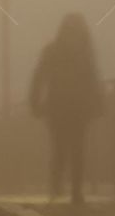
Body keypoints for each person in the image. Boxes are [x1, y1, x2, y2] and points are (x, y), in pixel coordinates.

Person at [29, 13, 103, 204]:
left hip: (58, 108)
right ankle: (74, 191)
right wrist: (97, 102)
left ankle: (58, 185)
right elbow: (93, 80)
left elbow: (39, 77)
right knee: (76, 148)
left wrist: (35, 103)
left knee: (61, 147)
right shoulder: (84, 53)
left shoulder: (52, 51)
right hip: (77, 108)